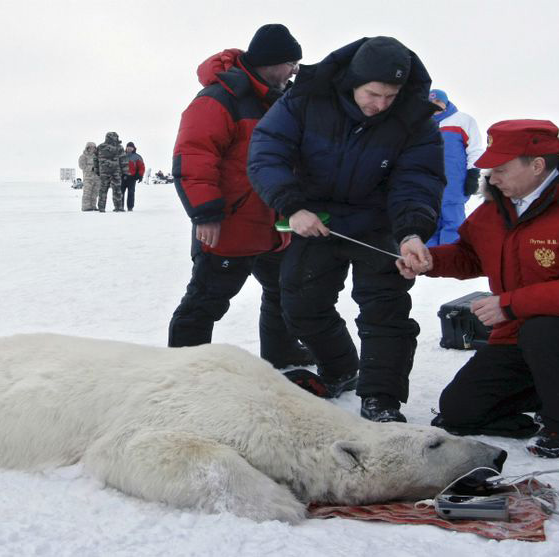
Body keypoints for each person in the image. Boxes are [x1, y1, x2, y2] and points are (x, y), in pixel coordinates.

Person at [396, 119, 559, 457]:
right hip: (519, 329)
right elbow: (470, 254)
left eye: (500, 168)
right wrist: (431, 261)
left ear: (537, 165)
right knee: (459, 410)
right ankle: (546, 393)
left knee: (544, 333)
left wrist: (511, 304)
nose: (492, 177)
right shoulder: (496, 209)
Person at [247, 36, 446, 422]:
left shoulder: (413, 118)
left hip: (380, 221)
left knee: (385, 312)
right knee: (300, 302)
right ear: (353, 81)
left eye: (391, 95)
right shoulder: (306, 98)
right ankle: (340, 368)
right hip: (317, 218)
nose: (381, 105)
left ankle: (382, 399)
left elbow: (418, 180)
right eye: (374, 93)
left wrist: (411, 232)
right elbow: (267, 150)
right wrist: (293, 205)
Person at [168, 23, 314, 370]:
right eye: (292, 62)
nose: (296, 69)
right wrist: (205, 214)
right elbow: (193, 158)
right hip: (229, 226)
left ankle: (281, 352)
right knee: (205, 302)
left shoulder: (282, 101)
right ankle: (182, 369)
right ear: (272, 61)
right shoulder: (218, 99)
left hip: (275, 226)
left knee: (283, 294)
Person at [426, 88, 484, 246]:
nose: (435, 106)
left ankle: (452, 259)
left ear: (445, 102)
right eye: (430, 103)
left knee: (453, 220)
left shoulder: (462, 120)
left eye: (438, 101)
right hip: (427, 182)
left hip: (454, 182)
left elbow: (475, 149)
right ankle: (428, 262)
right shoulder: (420, 124)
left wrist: (473, 174)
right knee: (428, 219)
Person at [96, 131, 124, 212]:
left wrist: (97, 170)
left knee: (103, 190)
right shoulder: (119, 147)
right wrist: (125, 172)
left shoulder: (100, 147)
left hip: (104, 172)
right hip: (116, 172)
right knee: (117, 190)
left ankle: (101, 208)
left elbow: (95, 160)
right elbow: (123, 160)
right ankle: (118, 207)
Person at [122, 142, 146, 211]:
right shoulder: (121, 156)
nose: (129, 148)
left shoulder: (137, 157)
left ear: (133, 148)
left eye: (131, 147)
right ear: (126, 148)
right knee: (120, 193)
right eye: (128, 147)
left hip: (132, 178)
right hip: (122, 177)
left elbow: (142, 167)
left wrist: (140, 175)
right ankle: (120, 207)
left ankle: (130, 207)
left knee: (131, 193)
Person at [78, 142, 100, 210]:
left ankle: (93, 206)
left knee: (95, 193)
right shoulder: (83, 156)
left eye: (94, 147)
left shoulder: (97, 156)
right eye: (90, 147)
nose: (92, 149)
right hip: (88, 178)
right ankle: (86, 207)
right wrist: (91, 168)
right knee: (87, 193)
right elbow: (82, 166)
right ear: (87, 148)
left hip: (97, 178)